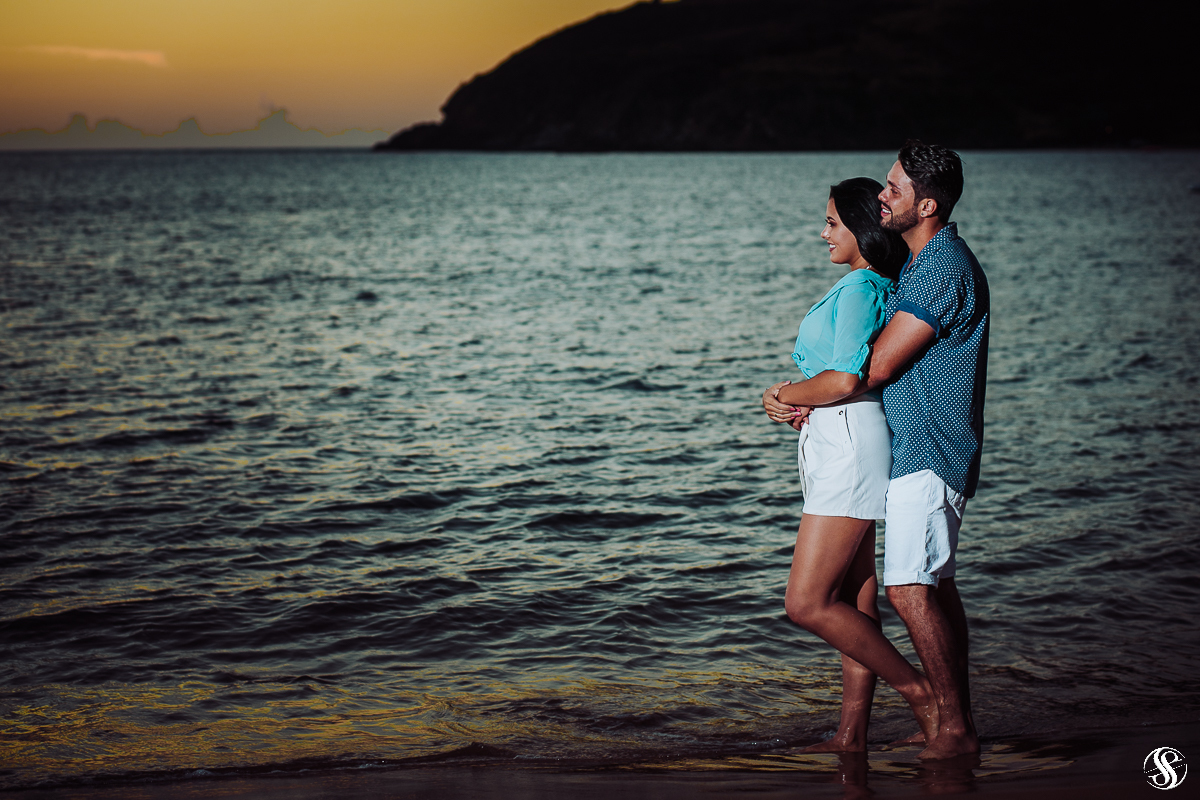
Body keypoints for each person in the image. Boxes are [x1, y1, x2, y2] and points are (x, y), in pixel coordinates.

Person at [770, 141, 989, 760]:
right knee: (924, 588)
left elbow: (868, 371)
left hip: (931, 447)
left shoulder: (942, 267)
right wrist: (822, 394)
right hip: (904, 447)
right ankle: (921, 724)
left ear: (925, 204)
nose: (883, 193)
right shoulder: (920, 267)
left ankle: (946, 722)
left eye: (893, 187)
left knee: (909, 589)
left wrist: (795, 391)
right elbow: (860, 371)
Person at [761, 178, 939, 752]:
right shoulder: (864, 285)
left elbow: (842, 379)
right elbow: (837, 379)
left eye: (834, 222)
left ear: (863, 229)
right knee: (856, 603)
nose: (823, 232)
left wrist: (788, 392)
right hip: (836, 439)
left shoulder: (860, 287)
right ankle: (852, 736)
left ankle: (921, 692)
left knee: (807, 602)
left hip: (847, 445)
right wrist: (797, 400)